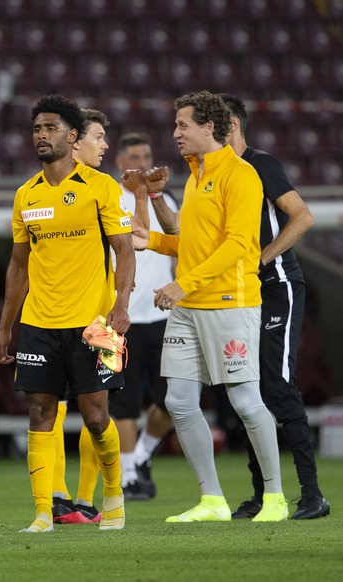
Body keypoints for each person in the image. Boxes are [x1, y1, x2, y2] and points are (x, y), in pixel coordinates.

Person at [139, 95, 328, 519]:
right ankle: (212, 500)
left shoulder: (243, 175)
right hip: (191, 304)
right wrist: (149, 239)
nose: (175, 133)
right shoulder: (195, 175)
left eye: (183, 125)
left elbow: (240, 244)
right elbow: (193, 242)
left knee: (246, 399)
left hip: (230, 303)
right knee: (180, 402)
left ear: (209, 127)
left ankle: (276, 498)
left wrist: (181, 284)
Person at [0, 94, 135, 533]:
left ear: (72, 137)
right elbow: (18, 265)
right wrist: (5, 326)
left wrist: (121, 305)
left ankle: (113, 495)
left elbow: (125, 252)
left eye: (50, 128)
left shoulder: (101, 187)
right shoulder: (25, 195)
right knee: (40, 414)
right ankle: (41, 513)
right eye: (37, 128)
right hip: (39, 323)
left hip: (97, 324)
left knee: (96, 418)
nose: (42, 135)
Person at [44, 108, 111, 524]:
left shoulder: (103, 189)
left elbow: (130, 242)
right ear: (75, 140)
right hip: (60, 314)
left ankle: (81, 500)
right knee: (53, 404)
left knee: (93, 409)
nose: (104, 146)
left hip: (99, 312)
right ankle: (61, 496)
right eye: (99, 137)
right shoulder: (41, 190)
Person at [114, 133, 177, 500]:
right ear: (120, 162)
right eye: (135, 156)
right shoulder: (109, 200)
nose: (142, 162)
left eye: (147, 155)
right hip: (123, 318)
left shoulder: (164, 199)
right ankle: (127, 478)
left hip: (163, 316)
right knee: (123, 403)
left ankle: (139, 457)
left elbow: (177, 249)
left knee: (174, 398)